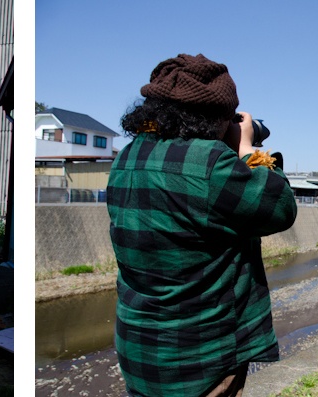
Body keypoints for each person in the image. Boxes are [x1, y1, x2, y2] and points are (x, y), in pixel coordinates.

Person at [107, 54, 296, 397]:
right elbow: (278, 206)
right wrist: (247, 147)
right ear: (216, 116)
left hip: (139, 349)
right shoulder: (211, 165)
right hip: (200, 357)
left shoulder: (127, 156)